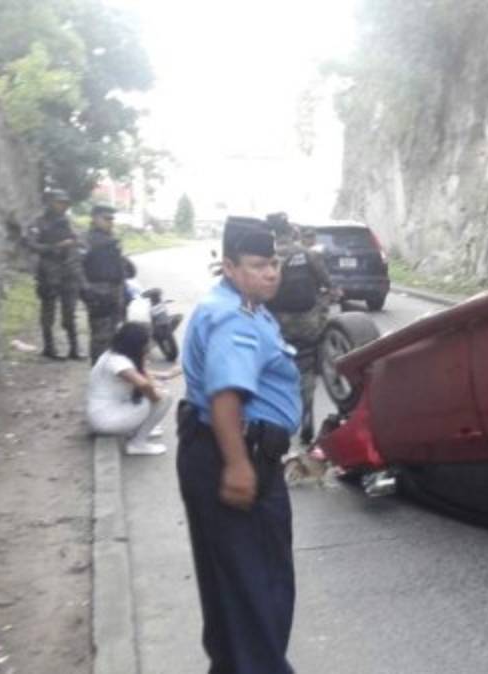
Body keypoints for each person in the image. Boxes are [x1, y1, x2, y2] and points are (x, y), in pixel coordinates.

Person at [176, 216, 300, 673]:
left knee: (232, 592)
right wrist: (238, 466)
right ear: (229, 266)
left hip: (208, 448)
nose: (272, 272)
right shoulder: (237, 319)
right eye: (259, 264)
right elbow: (226, 393)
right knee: (260, 594)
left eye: (274, 263)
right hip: (236, 453)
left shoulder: (236, 304)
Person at [266, 221, 336, 445]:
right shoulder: (307, 254)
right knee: (306, 367)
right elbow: (328, 283)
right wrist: (329, 296)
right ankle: (307, 417)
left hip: (275, 324)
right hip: (307, 323)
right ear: (292, 233)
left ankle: (279, 419)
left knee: (277, 369)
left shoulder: (267, 257)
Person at [86, 322, 176, 455]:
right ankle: (138, 443)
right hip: (105, 420)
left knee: (156, 391)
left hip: (104, 414)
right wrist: (156, 398)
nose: (149, 345)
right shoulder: (119, 362)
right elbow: (144, 384)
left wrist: (164, 376)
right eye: (147, 342)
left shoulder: (113, 354)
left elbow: (142, 374)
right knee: (164, 397)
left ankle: (140, 428)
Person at [24, 189, 84, 360]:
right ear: (49, 203)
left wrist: (75, 244)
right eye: (59, 202)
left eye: (65, 203)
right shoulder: (38, 223)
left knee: (70, 313)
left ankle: (75, 349)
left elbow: (82, 241)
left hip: (69, 271)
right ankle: (50, 348)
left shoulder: (69, 222)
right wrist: (55, 247)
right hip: (48, 272)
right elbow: (30, 244)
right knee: (48, 312)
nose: (62, 206)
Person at [81, 204, 132, 364]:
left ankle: (109, 371)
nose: (110, 222)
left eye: (112, 219)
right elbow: (75, 267)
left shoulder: (111, 240)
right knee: (100, 337)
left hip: (115, 291)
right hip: (98, 291)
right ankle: (98, 372)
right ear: (95, 218)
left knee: (114, 334)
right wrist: (86, 289)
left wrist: (124, 289)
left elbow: (119, 267)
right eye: (106, 218)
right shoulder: (86, 240)